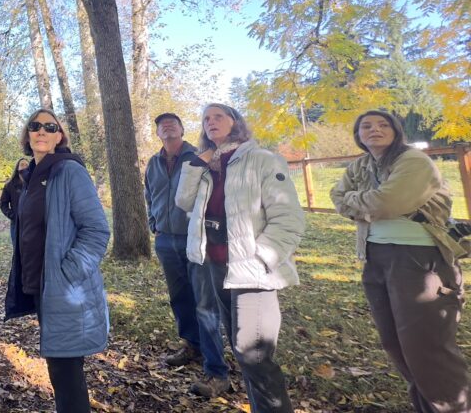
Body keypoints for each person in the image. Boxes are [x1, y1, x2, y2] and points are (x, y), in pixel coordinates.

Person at [330, 110, 470, 412]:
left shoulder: (413, 161)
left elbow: (388, 202)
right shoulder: (361, 165)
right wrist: (366, 202)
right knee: (396, 345)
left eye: (383, 125)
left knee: (427, 350)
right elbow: (338, 198)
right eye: (366, 126)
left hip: (420, 259)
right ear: (358, 134)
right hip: (375, 258)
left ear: (396, 131)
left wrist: (360, 202)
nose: (374, 130)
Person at [175, 103, 305, 413]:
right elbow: (183, 202)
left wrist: (261, 259)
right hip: (218, 266)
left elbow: (288, 219)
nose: (211, 122)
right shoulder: (207, 166)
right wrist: (195, 165)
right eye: (206, 119)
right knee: (241, 348)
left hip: (252, 269)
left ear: (236, 122)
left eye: (218, 116)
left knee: (254, 352)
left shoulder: (261, 160)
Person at [5, 109, 110, 413]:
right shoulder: (32, 177)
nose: (41, 130)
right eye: (35, 126)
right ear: (27, 135)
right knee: (59, 369)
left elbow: (97, 230)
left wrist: (68, 271)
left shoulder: (68, 171)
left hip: (62, 286)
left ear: (59, 136)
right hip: (40, 283)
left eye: (50, 127)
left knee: (66, 374)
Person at [144, 112, 229, 397]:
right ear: (157, 133)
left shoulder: (199, 157)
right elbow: (150, 196)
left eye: (172, 123)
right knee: (179, 297)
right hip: (166, 242)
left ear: (182, 129)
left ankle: (217, 371)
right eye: (161, 125)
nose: (167, 126)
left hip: (196, 241)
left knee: (205, 304)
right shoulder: (153, 163)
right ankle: (191, 345)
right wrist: (153, 224)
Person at [0, 157, 29, 226]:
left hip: (30, 223)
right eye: (22, 164)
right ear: (17, 168)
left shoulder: (32, 183)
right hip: (16, 224)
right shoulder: (9, 185)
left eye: (26, 165)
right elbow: (3, 204)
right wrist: (13, 216)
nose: (24, 166)